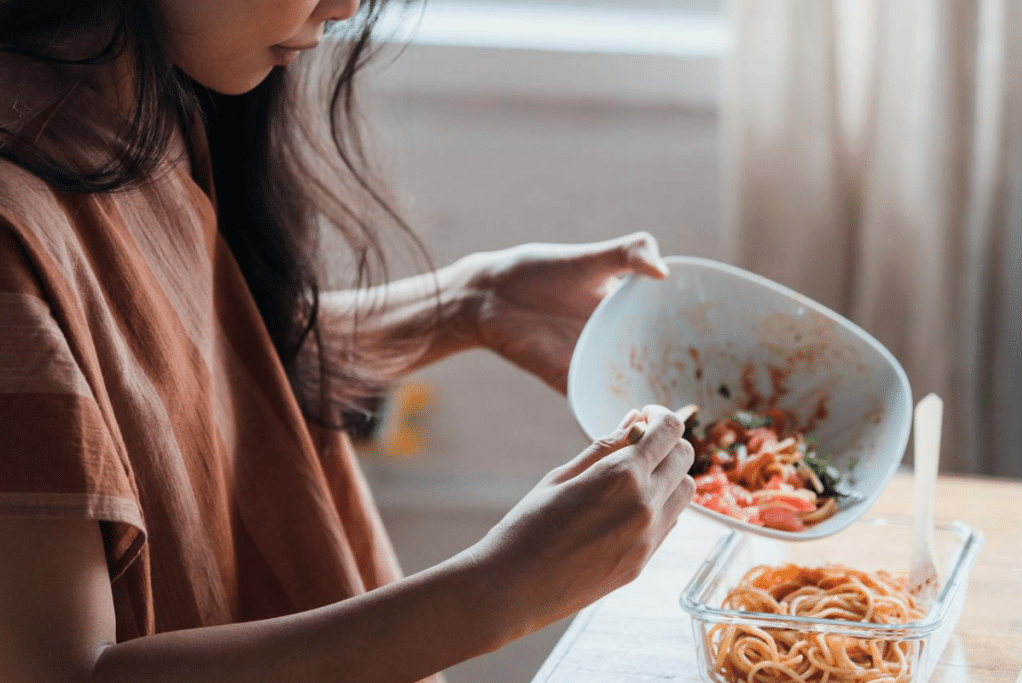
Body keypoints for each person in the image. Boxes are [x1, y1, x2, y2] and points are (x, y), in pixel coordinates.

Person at [0, 1, 697, 681]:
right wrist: (500, 588)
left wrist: (469, 303)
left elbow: (177, 390)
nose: (345, 9)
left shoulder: (126, 109)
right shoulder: (17, 218)